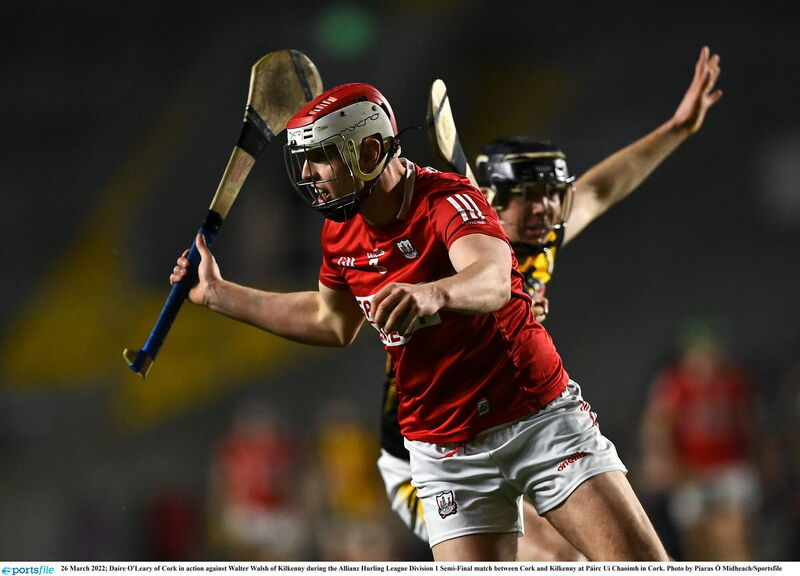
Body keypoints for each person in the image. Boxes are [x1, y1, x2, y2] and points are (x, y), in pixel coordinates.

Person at [170, 64, 719, 559]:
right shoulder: (339, 234)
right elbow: (330, 321)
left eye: (320, 159)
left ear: (366, 153)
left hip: (533, 418)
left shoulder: (449, 199)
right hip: (438, 447)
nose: (309, 175)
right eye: (306, 161)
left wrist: (434, 292)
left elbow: (493, 278)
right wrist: (220, 295)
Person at [377, 46, 723, 561]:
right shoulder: (447, 250)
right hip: (433, 455)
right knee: (550, 557)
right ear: (489, 200)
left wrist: (676, 127)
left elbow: (602, 189)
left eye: (551, 193)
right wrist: (492, 312)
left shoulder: (541, 240)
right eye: (527, 194)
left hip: (515, 430)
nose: (544, 208)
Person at [639, 319, 761, 560]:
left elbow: (749, 424)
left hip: (729, 465)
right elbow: (657, 424)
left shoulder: (734, 380)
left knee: (734, 538)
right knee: (698, 546)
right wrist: (662, 461)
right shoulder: (675, 383)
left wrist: (761, 457)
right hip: (691, 470)